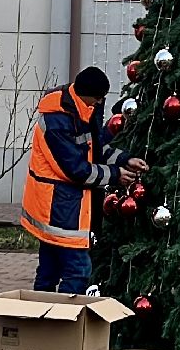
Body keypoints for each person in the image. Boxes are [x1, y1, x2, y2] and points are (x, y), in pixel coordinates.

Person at [22, 66, 148, 293]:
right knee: (78, 270)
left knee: (49, 270)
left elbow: (94, 149)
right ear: (84, 94)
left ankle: (39, 323)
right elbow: (77, 170)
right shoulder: (57, 121)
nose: (99, 103)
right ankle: (62, 323)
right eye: (97, 98)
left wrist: (124, 160)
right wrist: (116, 175)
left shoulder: (80, 109)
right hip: (58, 207)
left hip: (63, 207)